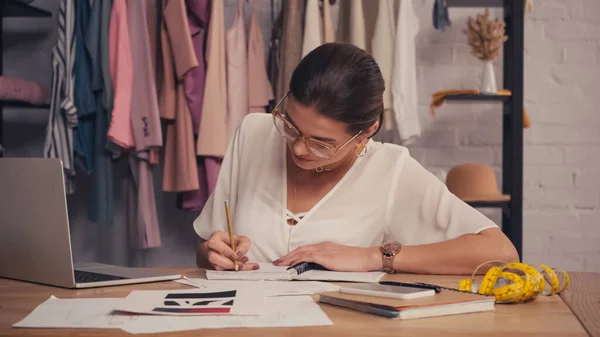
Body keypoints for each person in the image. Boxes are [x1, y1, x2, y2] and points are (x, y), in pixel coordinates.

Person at [194, 43, 519, 275]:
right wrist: (213, 253)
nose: (299, 149)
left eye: (322, 143)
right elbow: (206, 252)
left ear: (367, 132)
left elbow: (500, 253)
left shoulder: (390, 169)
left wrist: (374, 257)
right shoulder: (252, 133)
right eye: (290, 126)